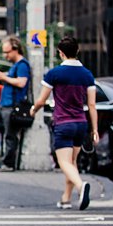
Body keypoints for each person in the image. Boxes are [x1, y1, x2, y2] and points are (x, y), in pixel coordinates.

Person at [30, 37, 98, 211]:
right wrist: (95, 130)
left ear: (60, 53)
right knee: (72, 162)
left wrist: (33, 110)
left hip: (63, 124)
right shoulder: (87, 74)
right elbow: (91, 105)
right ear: (77, 51)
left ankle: (81, 186)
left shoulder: (55, 73)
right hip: (81, 124)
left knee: (64, 163)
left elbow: (41, 100)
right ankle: (66, 198)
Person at [0, 36, 31, 172]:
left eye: (7, 52)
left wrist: (4, 77)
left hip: (12, 105)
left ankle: (8, 164)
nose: (5, 55)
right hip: (3, 104)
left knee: (10, 137)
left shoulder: (22, 65)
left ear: (16, 49)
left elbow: (21, 82)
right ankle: (9, 129)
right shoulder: (15, 66)